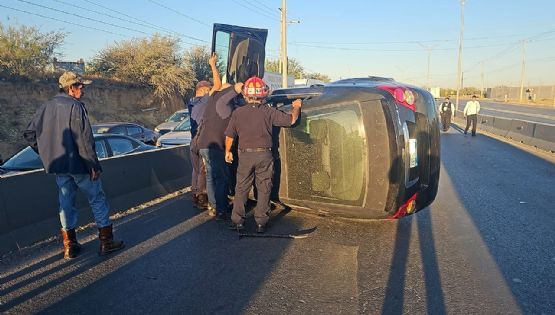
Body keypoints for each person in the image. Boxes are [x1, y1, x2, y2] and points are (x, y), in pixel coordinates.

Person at [23, 71, 124, 259]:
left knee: (66, 203)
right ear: (71, 88)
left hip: (59, 166)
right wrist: (93, 165)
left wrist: (47, 152)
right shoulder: (76, 106)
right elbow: (84, 138)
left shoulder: (46, 106)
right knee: (97, 199)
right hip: (80, 164)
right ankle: (106, 242)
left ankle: (70, 246)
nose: (83, 89)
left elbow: (30, 133)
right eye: (80, 86)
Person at [224, 76, 302, 233]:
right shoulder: (269, 111)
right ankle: (261, 223)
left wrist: (227, 151)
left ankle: (237, 221)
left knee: (241, 188)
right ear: (263, 94)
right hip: (264, 155)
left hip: (245, 156)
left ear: (245, 95)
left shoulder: (238, 112)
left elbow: (230, 135)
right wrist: (297, 106)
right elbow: (292, 120)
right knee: (264, 188)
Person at [196, 81, 244, 220]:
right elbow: (237, 86)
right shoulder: (221, 98)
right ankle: (221, 210)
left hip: (204, 144)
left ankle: (214, 205)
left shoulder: (212, 101)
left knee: (211, 176)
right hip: (215, 145)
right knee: (222, 178)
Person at [188, 53, 221, 211]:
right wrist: (213, 65)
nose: (210, 91)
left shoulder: (192, 102)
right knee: (203, 170)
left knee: (195, 170)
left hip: (192, 140)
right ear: (202, 90)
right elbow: (218, 86)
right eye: (208, 89)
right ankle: (202, 197)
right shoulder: (205, 100)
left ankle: (194, 195)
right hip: (201, 140)